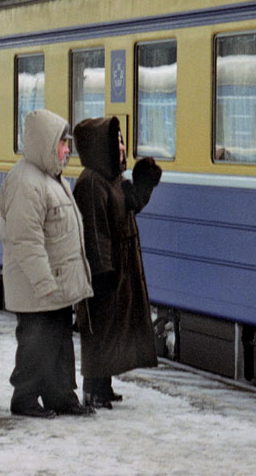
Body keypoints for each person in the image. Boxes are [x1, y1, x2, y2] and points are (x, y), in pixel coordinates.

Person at [0, 109, 96, 419]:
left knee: (58, 341)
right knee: (36, 343)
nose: (68, 149)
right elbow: (26, 240)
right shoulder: (27, 181)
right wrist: (43, 284)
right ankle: (24, 398)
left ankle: (60, 396)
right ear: (45, 142)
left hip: (55, 282)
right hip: (37, 285)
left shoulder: (51, 178)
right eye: (63, 143)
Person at [73, 116, 161, 409]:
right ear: (102, 146)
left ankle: (104, 386)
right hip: (106, 269)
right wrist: (101, 270)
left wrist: (144, 182)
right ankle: (93, 389)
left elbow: (132, 203)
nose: (122, 147)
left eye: (122, 141)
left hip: (122, 266)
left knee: (113, 327)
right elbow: (94, 232)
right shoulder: (91, 183)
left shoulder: (113, 179)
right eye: (117, 142)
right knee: (101, 328)